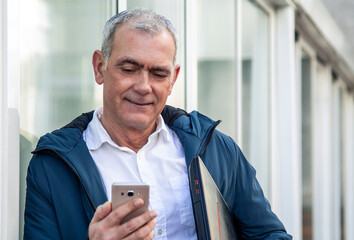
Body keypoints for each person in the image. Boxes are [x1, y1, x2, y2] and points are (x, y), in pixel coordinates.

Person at [24, 8, 292, 240]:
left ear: (173, 79)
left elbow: (270, 234)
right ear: (99, 67)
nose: (143, 87)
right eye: (129, 69)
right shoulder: (51, 166)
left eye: (158, 73)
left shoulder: (217, 150)